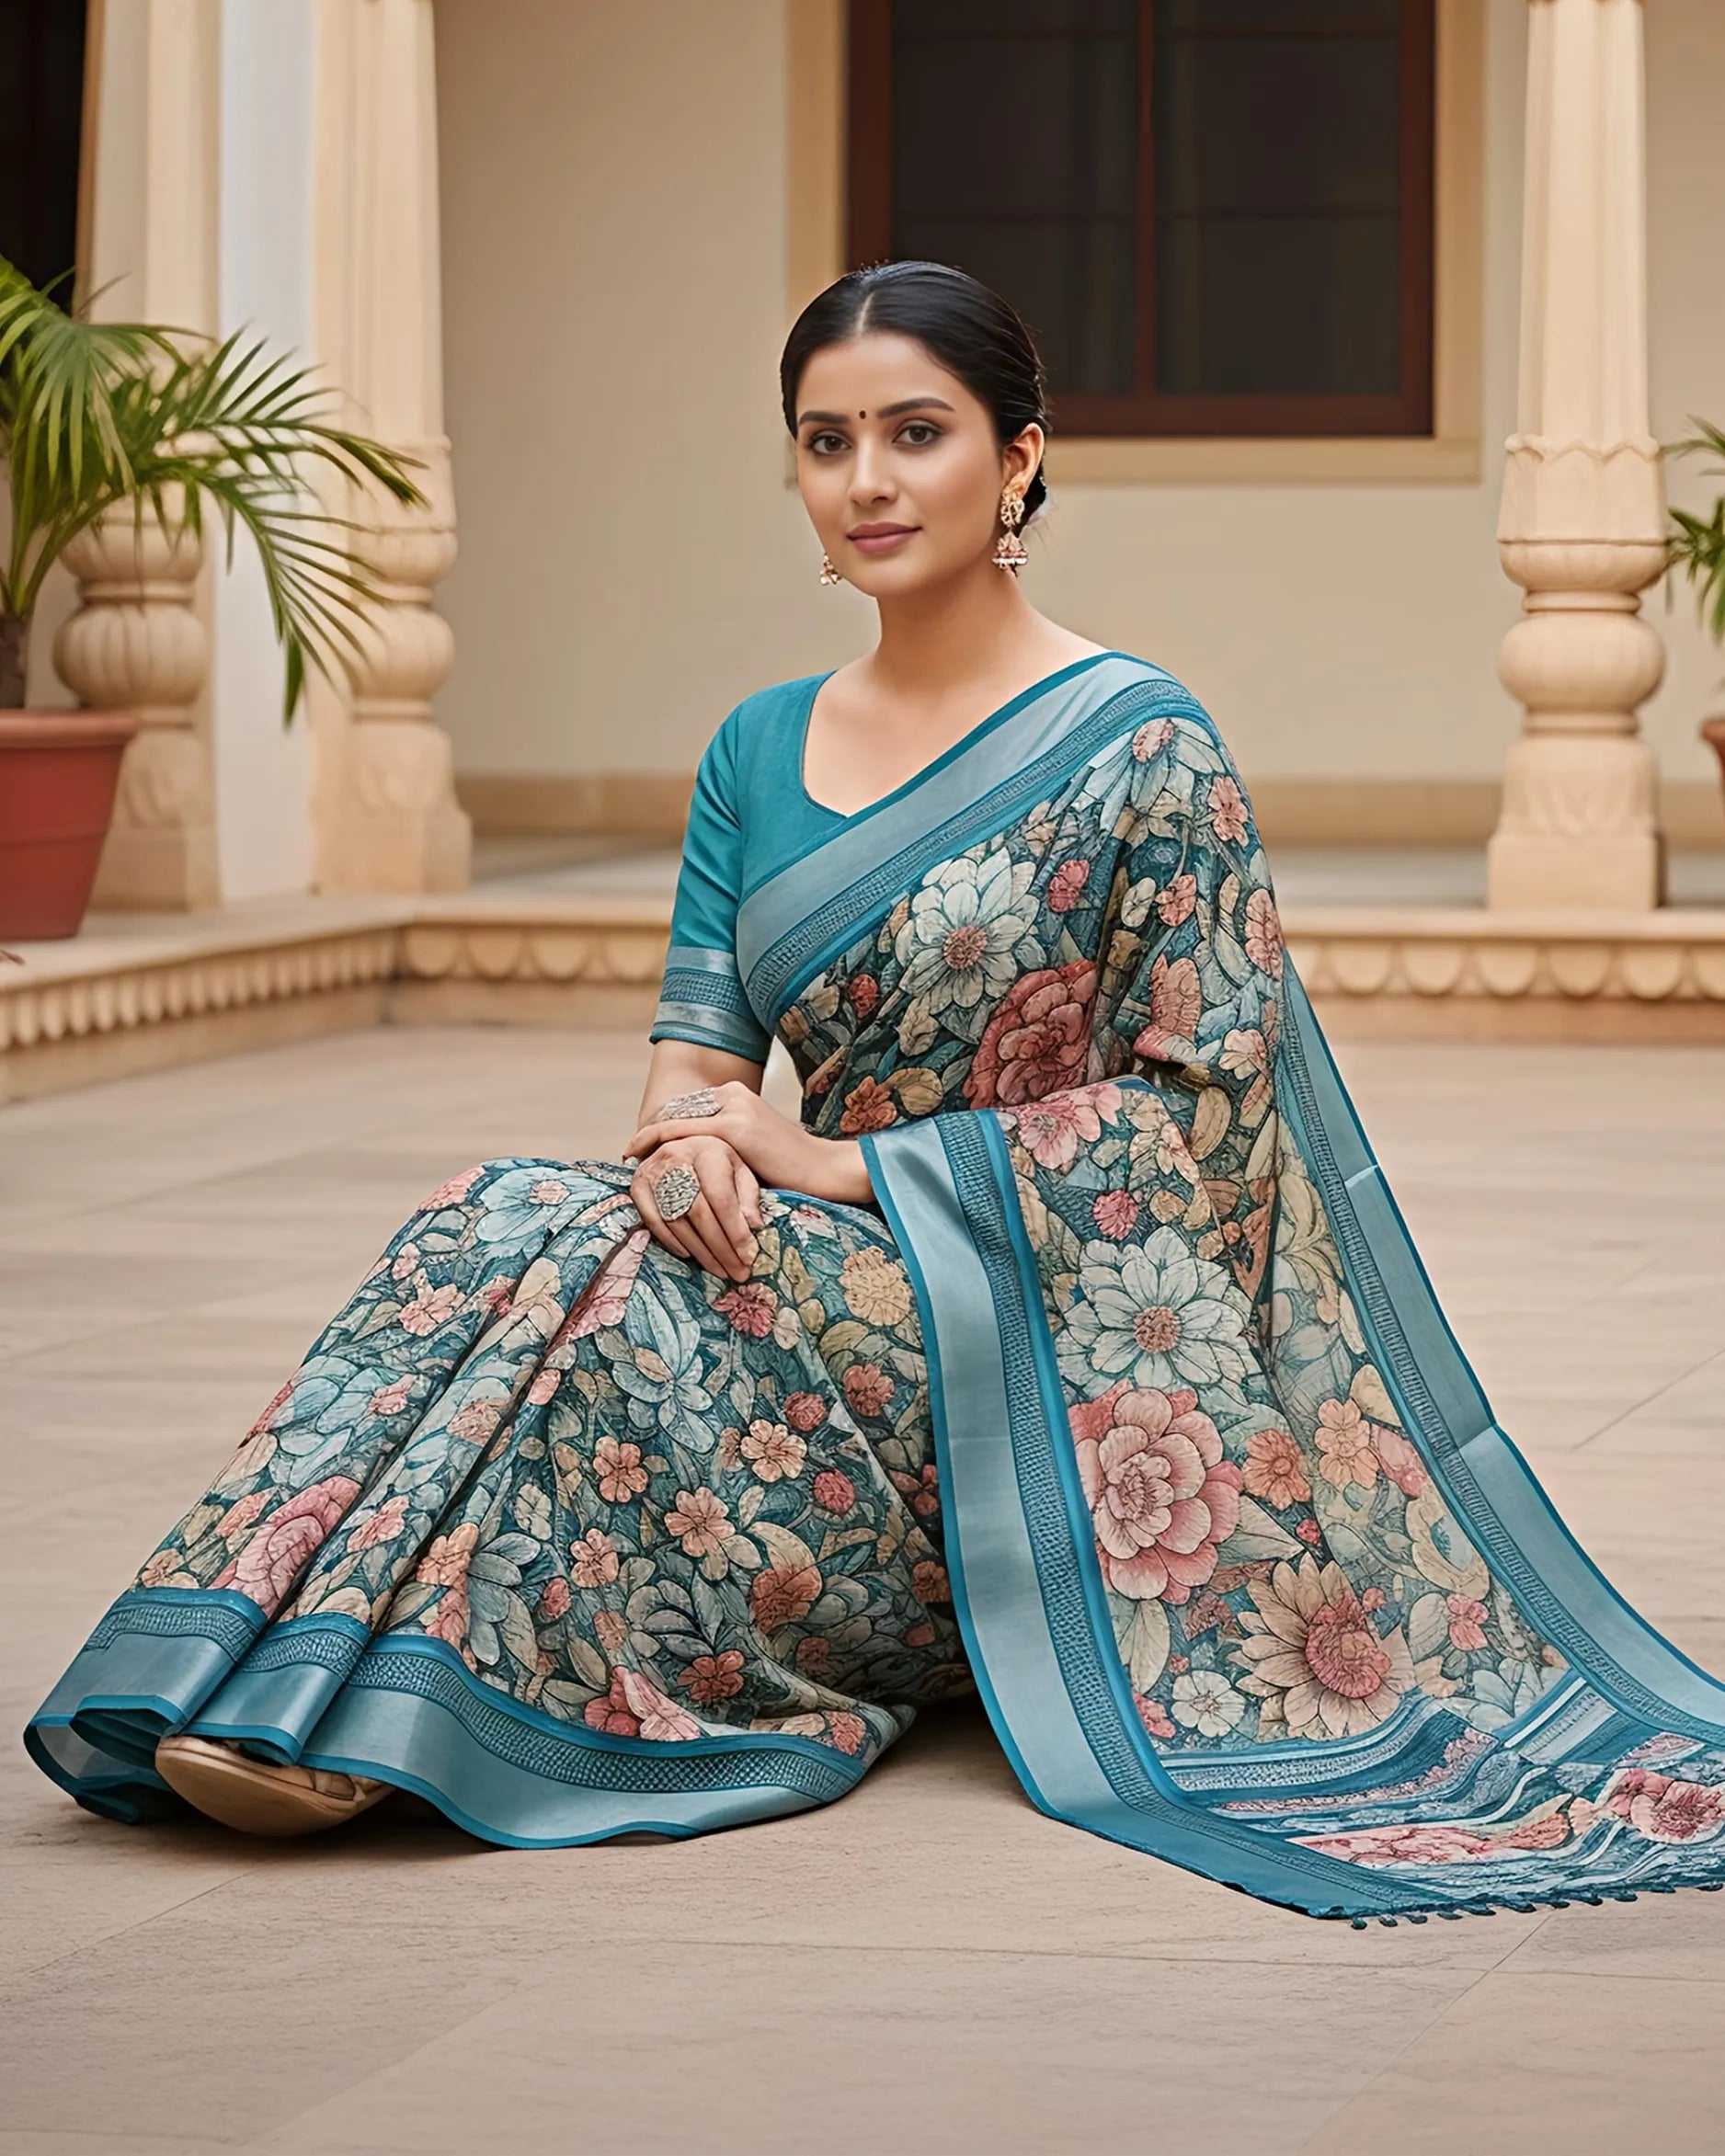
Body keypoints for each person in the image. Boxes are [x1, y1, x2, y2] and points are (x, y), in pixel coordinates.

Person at [26, 261, 1725, 1922]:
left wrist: (830, 1159)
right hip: (798, 1268)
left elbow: (1201, 1148)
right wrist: (689, 1147)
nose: (867, 481)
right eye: (825, 441)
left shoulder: (1145, 743)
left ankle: (366, 1720)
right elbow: (693, 1060)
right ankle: (278, 1668)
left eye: (915, 432)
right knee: (519, 1217)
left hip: (1022, 1352)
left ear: (1020, 456)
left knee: (598, 1305)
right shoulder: (756, 749)